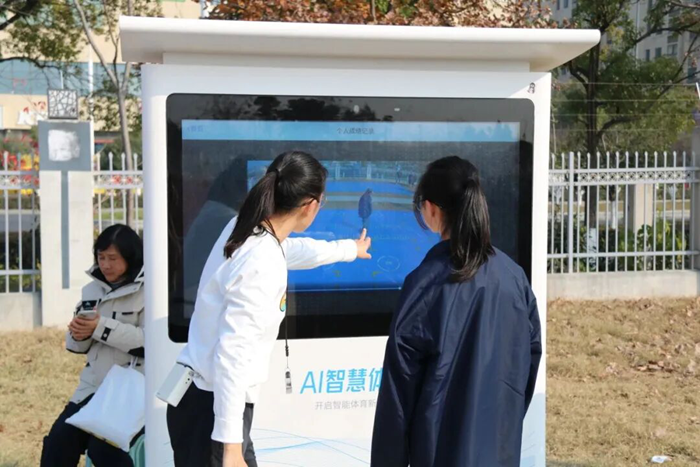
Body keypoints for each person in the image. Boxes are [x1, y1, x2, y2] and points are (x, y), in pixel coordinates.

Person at [167, 151, 372, 467]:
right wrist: (230, 447)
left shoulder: (247, 229)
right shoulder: (260, 263)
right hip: (213, 411)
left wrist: (348, 249)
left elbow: (290, 249)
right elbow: (233, 357)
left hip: (202, 401)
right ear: (310, 205)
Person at [371, 156, 542, 467]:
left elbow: (399, 393)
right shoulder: (513, 277)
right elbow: (528, 361)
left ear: (431, 209)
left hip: (438, 451)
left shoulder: (424, 284)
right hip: (498, 450)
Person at [41, 224, 145, 467]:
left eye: (113, 258)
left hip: (130, 389)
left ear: (130, 258)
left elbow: (147, 342)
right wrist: (79, 334)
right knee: (58, 442)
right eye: (101, 257)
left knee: (103, 449)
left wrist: (100, 327)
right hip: (93, 387)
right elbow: (76, 348)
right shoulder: (91, 289)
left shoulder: (149, 291)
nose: (106, 265)